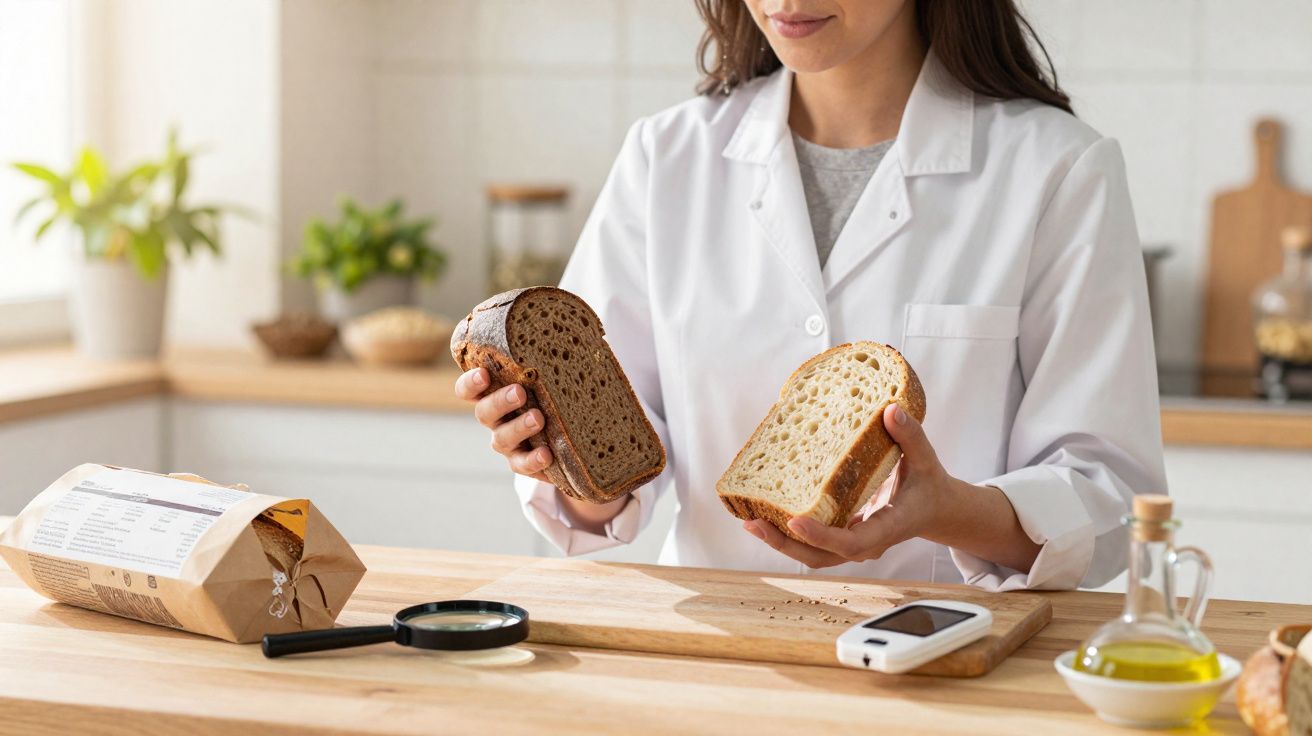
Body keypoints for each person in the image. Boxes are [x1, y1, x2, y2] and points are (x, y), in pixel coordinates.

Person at [453, 0, 1165, 591]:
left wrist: (945, 510)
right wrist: (558, 453)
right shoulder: (666, 158)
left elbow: (1106, 498)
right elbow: (620, 466)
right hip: (719, 670)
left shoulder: (1058, 169)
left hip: (951, 665)